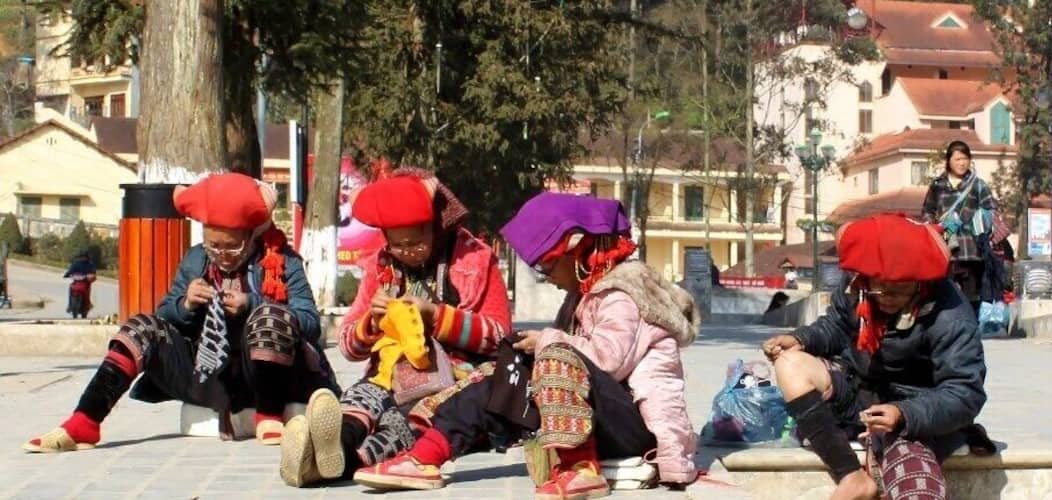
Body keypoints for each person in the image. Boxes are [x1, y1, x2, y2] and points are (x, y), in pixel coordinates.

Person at [352, 192, 699, 497]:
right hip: (596, 414)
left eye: (547, 268)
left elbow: (606, 361)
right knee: (505, 375)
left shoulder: (622, 296)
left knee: (555, 356)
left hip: (634, 429)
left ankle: (580, 470)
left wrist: (546, 340)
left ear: (576, 250)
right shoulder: (584, 295)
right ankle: (426, 456)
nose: (548, 279)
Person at [23, 173, 338, 453]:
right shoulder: (195, 260)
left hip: (267, 376)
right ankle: (84, 420)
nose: (222, 256)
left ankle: (269, 415)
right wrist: (186, 304)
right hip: (207, 373)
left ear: (251, 236)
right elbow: (165, 316)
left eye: (231, 247)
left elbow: (311, 323)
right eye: (213, 246)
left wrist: (251, 304)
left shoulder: (283, 262)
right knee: (140, 328)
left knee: (270, 315)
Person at [279, 170, 511, 487]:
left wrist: (438, 317)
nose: (405, 252)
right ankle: (329, 445)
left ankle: (338, 463)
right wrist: (371, 323)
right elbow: (348, 346)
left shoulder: (475, 260)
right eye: (397, 243)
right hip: (388, 376)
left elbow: (499, 336)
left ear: (437, 227)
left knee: (399, 422)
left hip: (452, 381)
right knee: (363, 398)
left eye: (416, 242)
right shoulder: (382, 264)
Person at [761, 213, 990, 500]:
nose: (886, 296)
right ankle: (851, 476)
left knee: (917, 485)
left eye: (900, 289)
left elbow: (965, 392)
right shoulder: (858, 284)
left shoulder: (951, 315)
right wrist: (800, 339)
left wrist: (903, 414)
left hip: (917, 414)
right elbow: (836, 327)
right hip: (861, 393)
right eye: (878, 287)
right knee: (790, 362)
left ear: (921, 283)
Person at [922, 141, 998, 313]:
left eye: (965, 159)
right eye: (957, 159)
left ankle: (970, 332)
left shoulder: (978, 185)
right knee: (943, 294)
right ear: (949, 161)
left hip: (971, 250)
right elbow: (927, 210)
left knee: (972, 297)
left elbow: (991, 210)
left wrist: (975, 220)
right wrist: (937, 226)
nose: (962, 163)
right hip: (946, 247)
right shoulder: (937, 185)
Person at [64, 252, 98, 318]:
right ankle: (70, 305)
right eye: (81, 257)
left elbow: (93, 272)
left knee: (87, 293)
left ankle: (87, 306)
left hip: (86, 282)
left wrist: (91, 275)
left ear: (87, 257)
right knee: (70, 287)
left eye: (84, 257)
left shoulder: (90, 264)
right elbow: (70, 270)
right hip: (76, 282)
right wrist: (67, 274)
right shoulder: (76, 263)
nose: (82, 258)